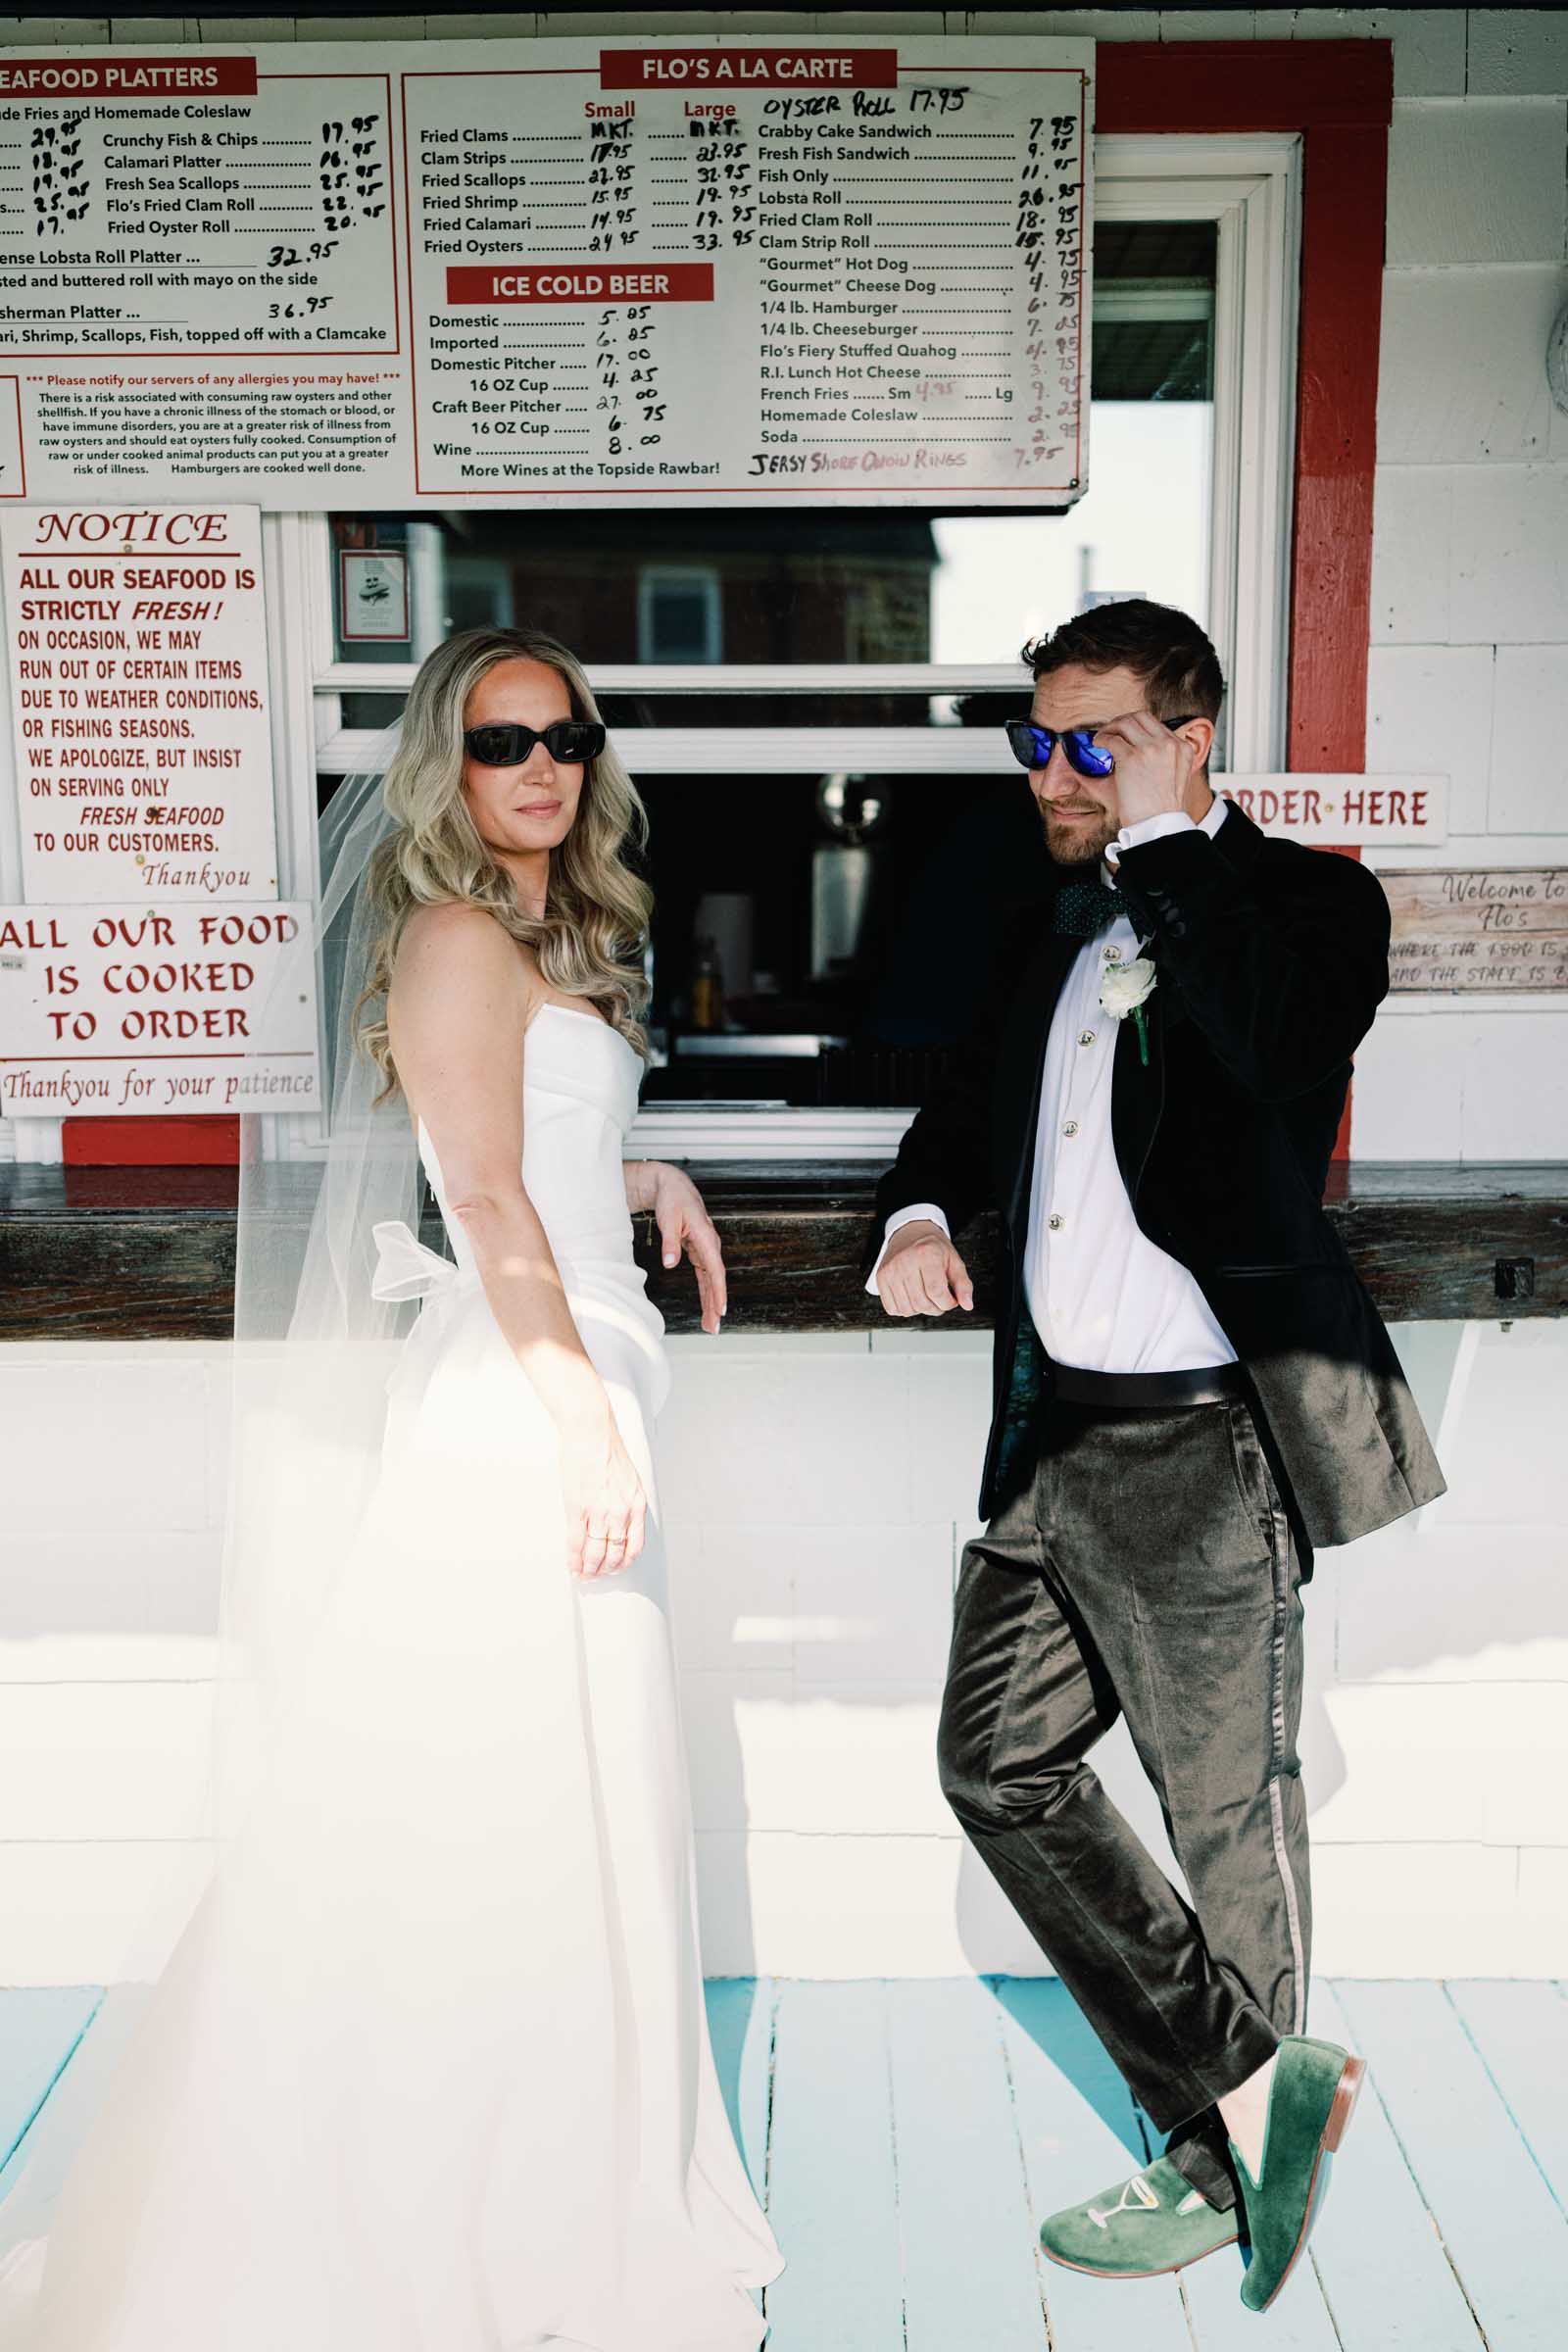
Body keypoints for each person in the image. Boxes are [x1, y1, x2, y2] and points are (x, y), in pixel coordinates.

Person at [0, 625, 782, 2351]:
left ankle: (562, 2132)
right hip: (524, 1402)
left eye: (570, 734)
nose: (545, 767)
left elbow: (533, 1150)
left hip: (571, 1363)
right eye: (507, 741)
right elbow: (483, 1202)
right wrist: (575, 1417)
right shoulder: (447, 927)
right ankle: (445, 2177)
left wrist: (638, 1159)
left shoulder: (544, 934)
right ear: (449, 759)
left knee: (570, 1786)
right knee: (478, 1797)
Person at [862, 598, 1445, 2313]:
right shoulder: (1051, 921)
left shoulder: (1305, 906)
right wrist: (914, 1207)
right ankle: (1266, 2092)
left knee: (1223, 1826)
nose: (1053, 768)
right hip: (1052, 1442)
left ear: (1189, 740)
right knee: (997, 1769)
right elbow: (967, 1106)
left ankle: (1216, 2163)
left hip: (1206, 1449)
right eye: (1035, 738)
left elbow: (1274, 1057)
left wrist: (1170, 844)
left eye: (1091, 739)